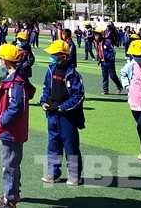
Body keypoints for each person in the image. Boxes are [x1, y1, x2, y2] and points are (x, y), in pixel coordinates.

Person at [0, 44, 33, 208]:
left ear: (4, 61)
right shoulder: (15, 78)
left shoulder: (15, 82)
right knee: (12, 163)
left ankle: (10, 199)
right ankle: (14, 193)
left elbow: (16, 106)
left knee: (9, 164)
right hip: (12, 130)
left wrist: (2, 120)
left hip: (11, 131)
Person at [39, 40, 85, 186]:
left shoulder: (73, 74)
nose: (52, 57)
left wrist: (64, 107)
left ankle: (74, 175)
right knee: (53, 144)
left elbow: (79, 95)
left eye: (54, 54)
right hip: (52, 113)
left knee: (70, 146)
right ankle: (53, 172)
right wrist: (43, 101)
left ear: (63, 56)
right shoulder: (50, 70)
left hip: (67, 116)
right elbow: (46, 88)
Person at [94, 28, 122, 95]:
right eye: (95, 35)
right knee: (104, 76)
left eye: (97, 35)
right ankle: (105, 89)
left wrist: (110, 59)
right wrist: (98, 59)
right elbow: (98, 52)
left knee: (112, 75)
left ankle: (119, 86)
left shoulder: (106, 43)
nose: (96, 37)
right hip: (103, 62)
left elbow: (113, 52)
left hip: (109, 62)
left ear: (101, 35)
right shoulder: (96, 43)